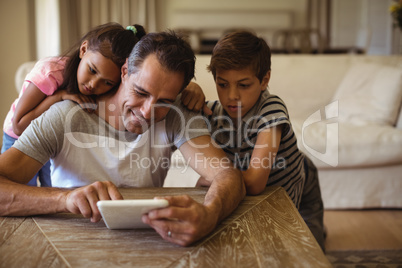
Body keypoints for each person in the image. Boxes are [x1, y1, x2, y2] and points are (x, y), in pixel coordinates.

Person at [0, 31, 245, 247]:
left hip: (151, 244)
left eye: (164, 101)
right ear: (125, 71)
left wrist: (210, 215)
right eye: (140, 92)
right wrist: (64, 199)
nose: (147, 112)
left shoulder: (176, 116)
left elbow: (227, 175)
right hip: (67, 245)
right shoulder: (66, 116)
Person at [191, 30, 325, 251]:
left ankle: (318, 227)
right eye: (222, 84)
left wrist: (216, 176)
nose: (232, 95)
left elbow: (254, 182)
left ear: (264, 80)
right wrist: (191, 87)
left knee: (310, 249)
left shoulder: (271, 108)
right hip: (251, 179)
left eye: (243, 85)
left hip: (299, 179)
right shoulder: (212, 112)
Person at [1, 22, 146, 187]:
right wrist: (59, 97)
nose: (93, 85)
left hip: (52, 141)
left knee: (53, 190)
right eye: (92, 70)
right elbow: (19, 125)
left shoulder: (107, 89)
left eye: (106, 82)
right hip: (17, 138)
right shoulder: (50, 72)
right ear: (83, 49)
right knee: (21, 192)